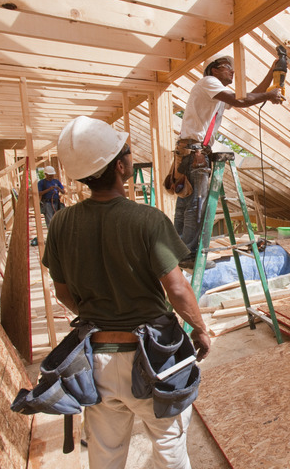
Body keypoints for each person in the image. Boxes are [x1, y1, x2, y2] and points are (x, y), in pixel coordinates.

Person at [43, 115, 211, 469]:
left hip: (96, 359)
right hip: (153, 358)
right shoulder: (148, 220)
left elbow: (62, 293)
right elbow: (177, 289)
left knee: (105, 456)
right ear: (121, 166)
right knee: (169, 448)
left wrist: (100, 311)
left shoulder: (61, 224)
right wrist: (199, 328)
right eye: (129, 153)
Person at [166, 54, 284, 269]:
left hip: (190, 151)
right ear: (214, 69)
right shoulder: (209, 83)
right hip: (195, 153)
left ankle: (177, 252)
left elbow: (249, 96)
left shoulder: (217, 95)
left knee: (185, 204)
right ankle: (189, 255)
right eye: (228, 67)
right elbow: (241, 101)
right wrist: (271, 94)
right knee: (196, 205)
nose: (233, 71)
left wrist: (271, 72)